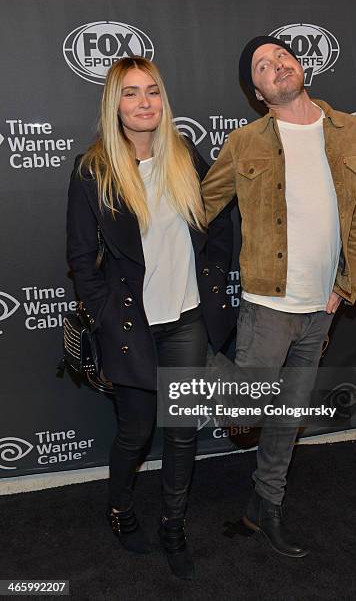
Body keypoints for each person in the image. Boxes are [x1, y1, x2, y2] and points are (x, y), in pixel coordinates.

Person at [201, 36, 356, 558]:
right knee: (244, 410)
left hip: (320, 310)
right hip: (266, 306)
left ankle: (264, 508)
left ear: (300, 67)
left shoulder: (352, 132)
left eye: (282, 56)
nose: (277, 64)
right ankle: (184, 351)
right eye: (262, 65)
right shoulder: (245, 141)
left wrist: (347, 287)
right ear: (257, 91)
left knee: (287, 418)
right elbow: (201, 207)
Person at [66, 56, 235, 580]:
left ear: (164, 99)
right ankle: (120, 510)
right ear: (114, 104)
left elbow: (216, 223)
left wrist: (209, 279)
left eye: (153, 91)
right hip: (131, 327)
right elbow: (80, 258)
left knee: (182, 432)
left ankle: (173, 524)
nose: (145, 103)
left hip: (186, 320)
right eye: (132, 92)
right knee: (136, 434)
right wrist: (104, 318)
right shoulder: (94, 170)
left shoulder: (185, 156)